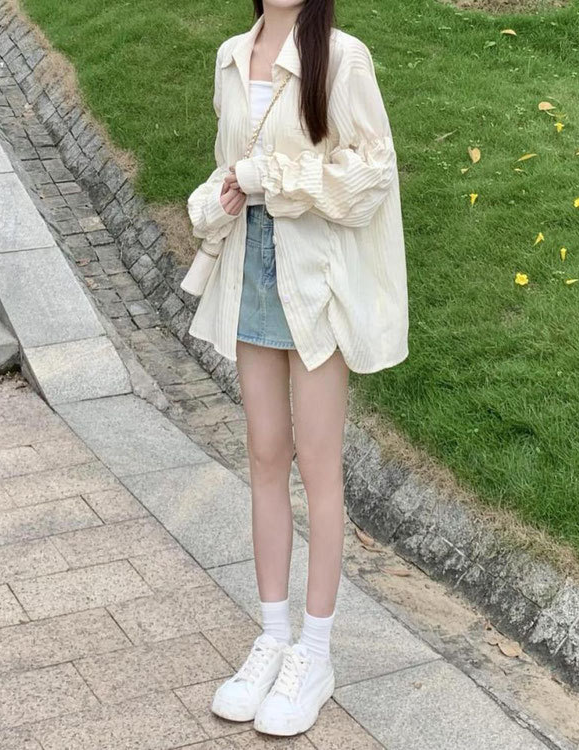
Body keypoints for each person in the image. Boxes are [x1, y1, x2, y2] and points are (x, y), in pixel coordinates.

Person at [185, 0, 408, 736]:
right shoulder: (231, 56)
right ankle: (273, 638)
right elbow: (228, 163)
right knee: (263, 454)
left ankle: (315, 652)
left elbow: (370, 173)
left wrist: (270, 177)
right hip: (250, 274)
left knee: (318, 464)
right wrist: (221, 193)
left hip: (317, 283)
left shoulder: (342, 58)